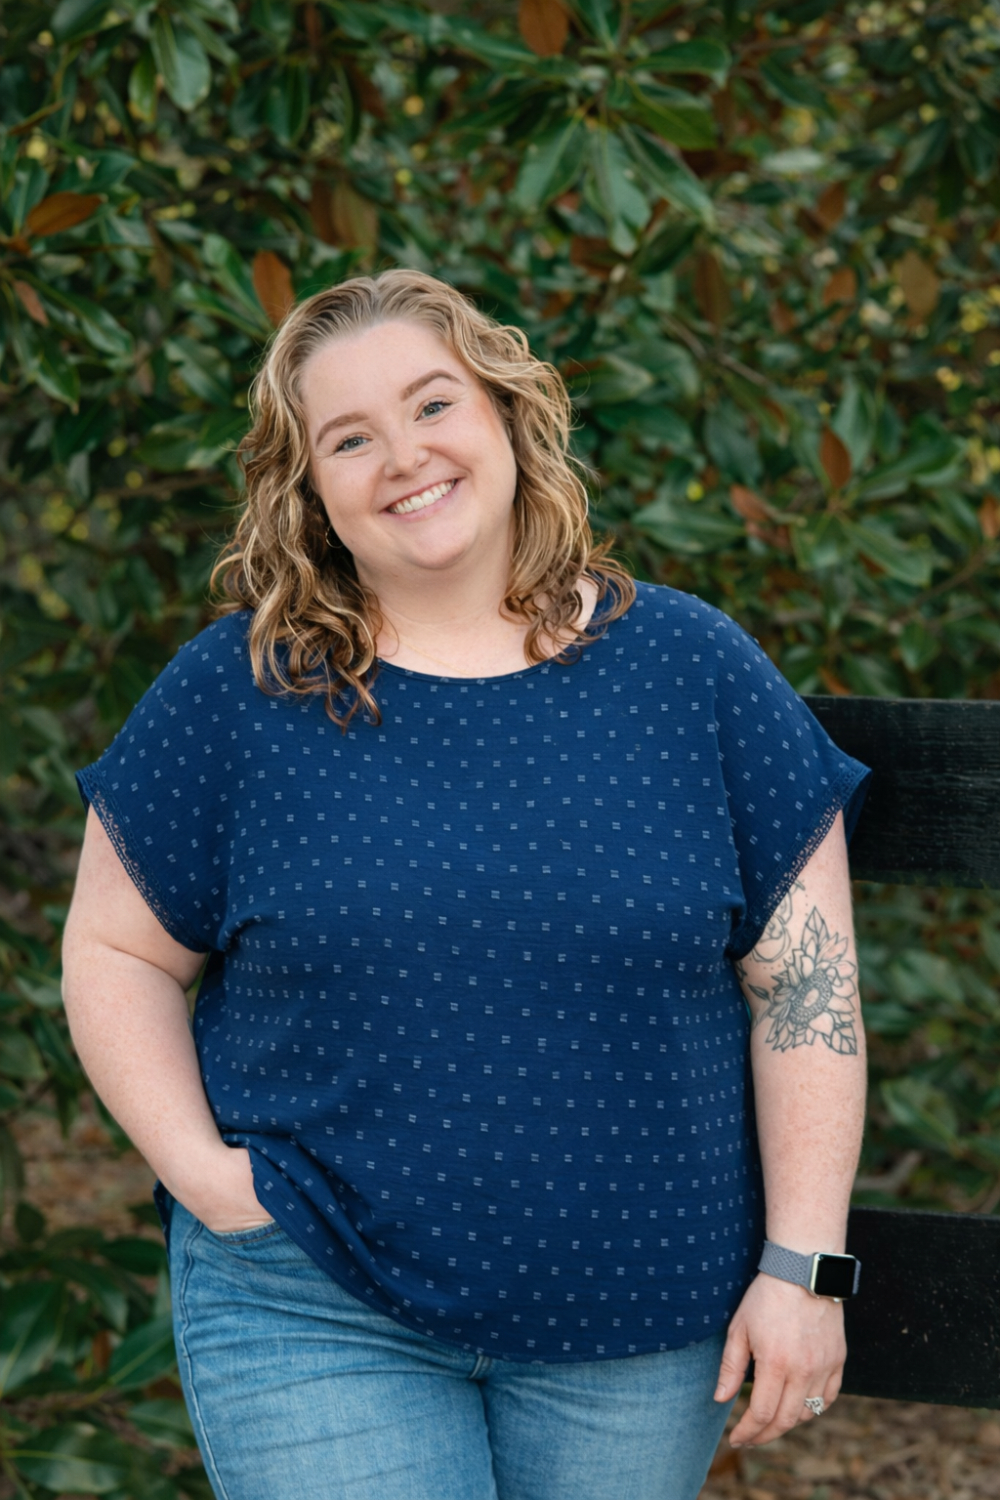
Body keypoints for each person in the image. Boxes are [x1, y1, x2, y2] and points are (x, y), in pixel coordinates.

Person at [62, 269, 871, 1500]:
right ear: (309, 489)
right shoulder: (242, 690)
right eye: (349, 438)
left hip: (640, 1318)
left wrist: (804, 1266)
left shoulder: (692, 671)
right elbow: (116, 950)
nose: (404, 456)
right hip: (312, 1298)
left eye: (433, 404)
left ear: (506, 415)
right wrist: (207, 1180)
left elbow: (805, 988)